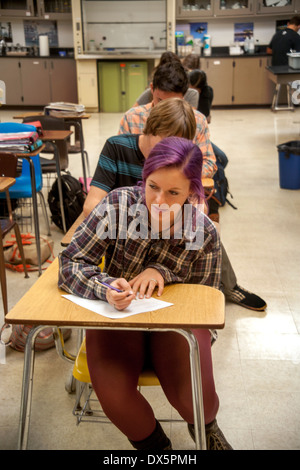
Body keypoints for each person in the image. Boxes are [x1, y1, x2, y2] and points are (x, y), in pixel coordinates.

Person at [59, 136, 233, 451]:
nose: (159, 201)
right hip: (119, 315)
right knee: (115, 396)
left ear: (192, 192)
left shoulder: (203, 231)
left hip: (174, 322)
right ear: (143, 178)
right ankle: (157, 449)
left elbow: (205, 306)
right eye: (153, 186)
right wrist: (106, 287)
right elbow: (70, 262)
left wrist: (163, 273)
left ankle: (207, 430)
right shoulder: (117, 205)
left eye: (173, 192)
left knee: (195, 400)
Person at [118, 64, 267, 312]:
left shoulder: (195, 120)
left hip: (176, 196)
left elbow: (209, 161)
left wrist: (182, 181)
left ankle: (223, 287)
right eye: (160, 101)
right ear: (151, 91)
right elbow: (122, 160)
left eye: (174, 102)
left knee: (202, 227)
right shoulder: (133, 118)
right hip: (140, 198)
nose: (167, 109)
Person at [134, 51, 199, 109]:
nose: (165, 108)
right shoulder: (152, 92)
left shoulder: (191, 94)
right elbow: (134, 110)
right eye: (160, 100)